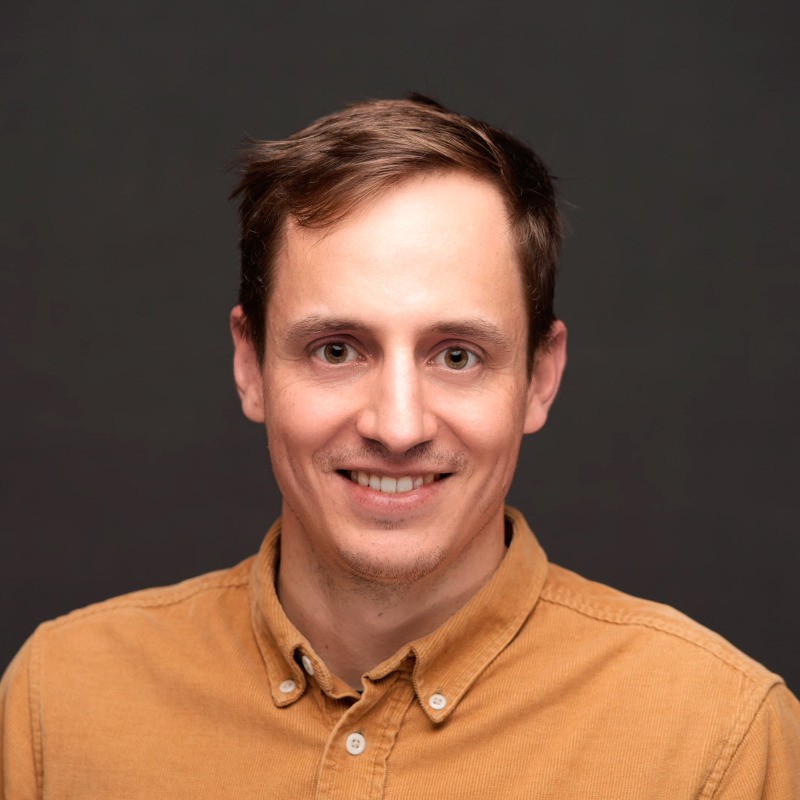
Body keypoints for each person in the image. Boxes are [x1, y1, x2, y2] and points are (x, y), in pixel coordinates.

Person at [1, 95, 798, 799]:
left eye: (457, 355)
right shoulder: (57, 704)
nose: (398, 426)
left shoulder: (718, 738)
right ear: (250, 366)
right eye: (337, 350)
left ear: (540, 378)